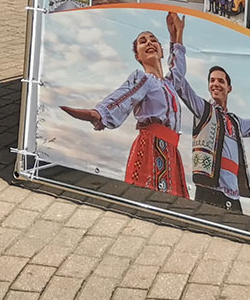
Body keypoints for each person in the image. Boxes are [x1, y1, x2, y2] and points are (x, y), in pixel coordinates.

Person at [164, 13, 250, 214]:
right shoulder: (203, 110)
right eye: (212, 81)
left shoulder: (234, 122)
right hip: (208, 189)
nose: (215, 84)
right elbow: (179, 82)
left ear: (229, 88)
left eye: (220, 81)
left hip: (232, 195)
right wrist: (176, 38)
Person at [60, 19, 189, 197]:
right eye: (143, 41)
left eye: (153, 40)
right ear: (138, 56)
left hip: (172, 151)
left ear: (161, 51)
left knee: (172, 201)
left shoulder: (170, 84)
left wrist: (176, 34)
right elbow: (126, 94)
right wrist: (99, 113)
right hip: (151, 147)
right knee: (148, 198)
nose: (149, 43)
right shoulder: (143, 79)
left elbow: (178, 67)